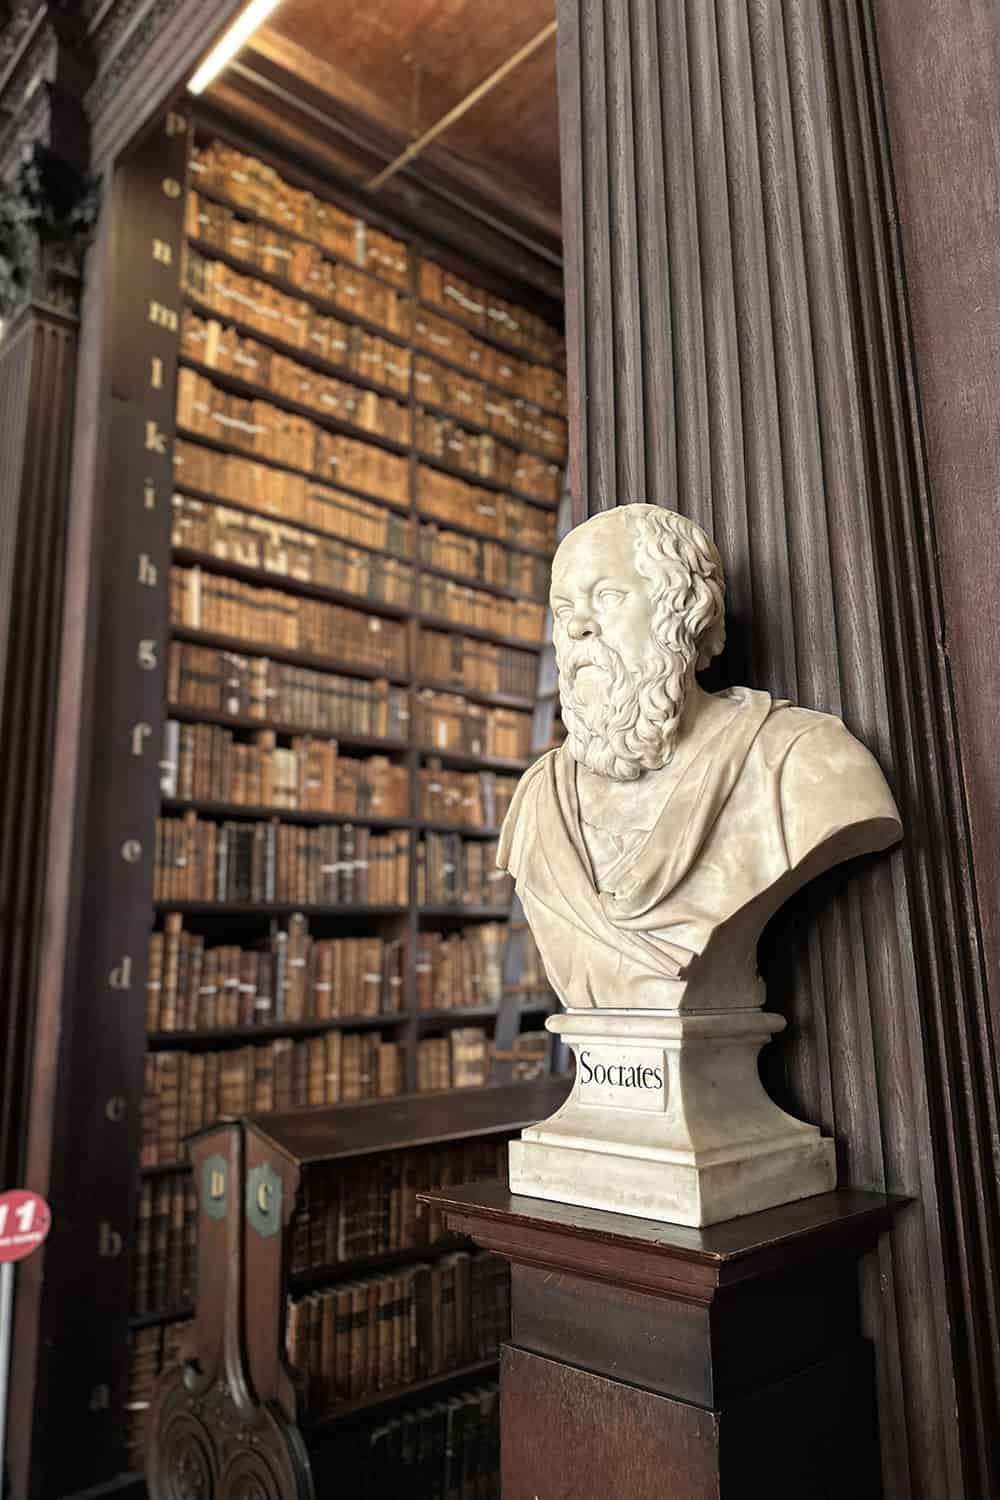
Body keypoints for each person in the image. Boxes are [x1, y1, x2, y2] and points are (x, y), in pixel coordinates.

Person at [497, 504, 901, 1013]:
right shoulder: (541, 800)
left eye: (607, 597)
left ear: (681, 611)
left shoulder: (802, 765)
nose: (579, 628)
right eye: (563, 610)